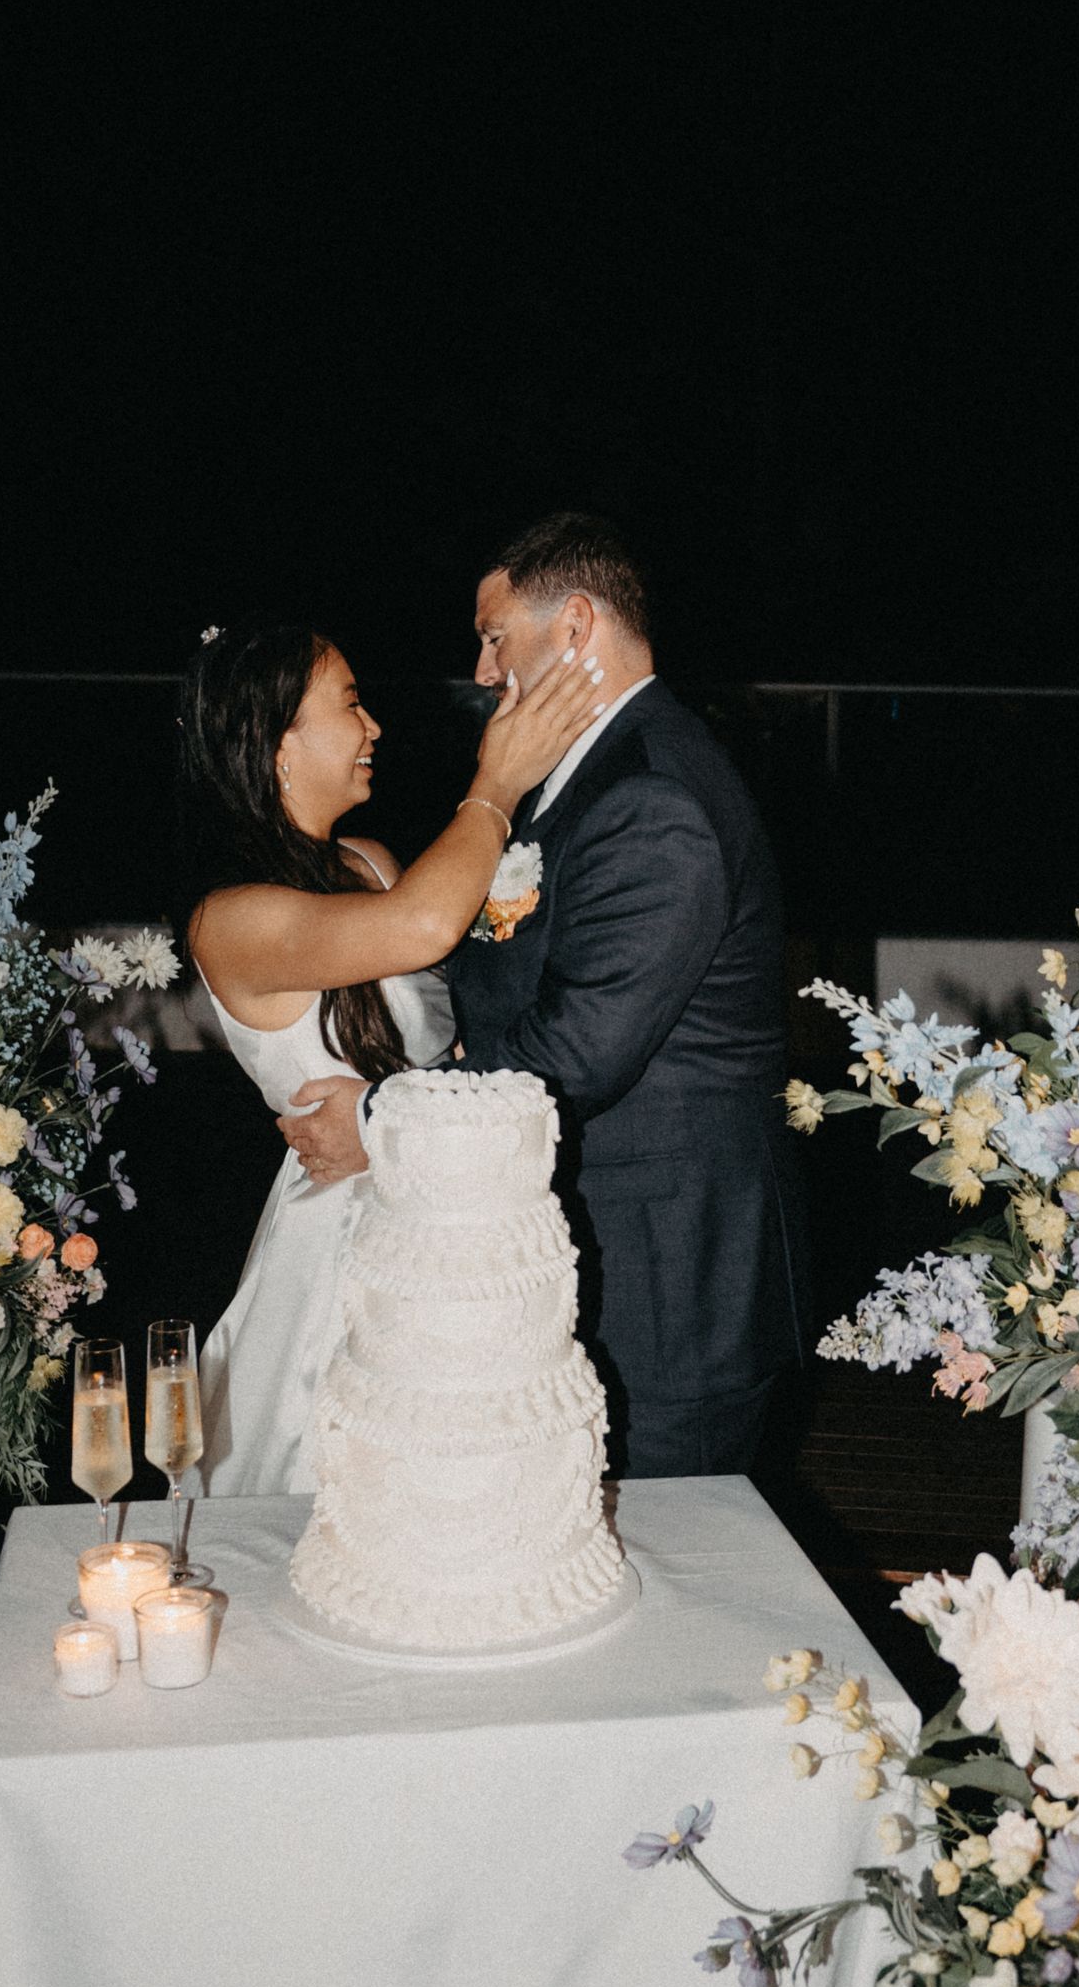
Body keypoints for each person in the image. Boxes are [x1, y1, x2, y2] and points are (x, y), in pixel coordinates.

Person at [279, 513, 808, 1478]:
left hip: (669, 1290)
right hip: (597, 1261)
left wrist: (384, 1119)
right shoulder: (590, 778)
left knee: (665, 1578)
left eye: (493, 638)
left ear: (572, 627)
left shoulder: (655, 797)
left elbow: (575, 1055)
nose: (481, 673)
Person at [181, 619, 604, 1495]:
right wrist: (495, 786)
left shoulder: (371, 864)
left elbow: (450, 993)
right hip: (339, 1242)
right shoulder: (231, 920)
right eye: (349, 705)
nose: (374, 727)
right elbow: (425, 925)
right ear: (277, 744)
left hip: (450, 1204)